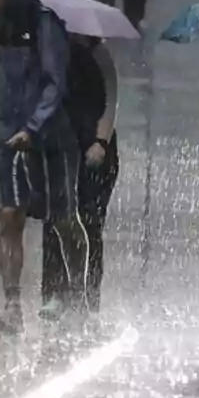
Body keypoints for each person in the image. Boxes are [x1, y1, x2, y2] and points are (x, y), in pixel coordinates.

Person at [0, 0, 89, 334]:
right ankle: (12, 304)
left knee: (62, 220)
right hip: (12, 137)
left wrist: (34, 125)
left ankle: (77, 290)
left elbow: (54, 81)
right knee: (10, 216)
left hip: (51, 139)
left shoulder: (47, 28)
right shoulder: (4, 30)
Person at [41, 34, 119, 321]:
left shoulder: (100, 54)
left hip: (93, 147)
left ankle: (87, 295)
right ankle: (55, 293)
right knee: (55, 221)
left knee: (90, 222)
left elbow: (111, 100)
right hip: (61, 145)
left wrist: (101, 141)